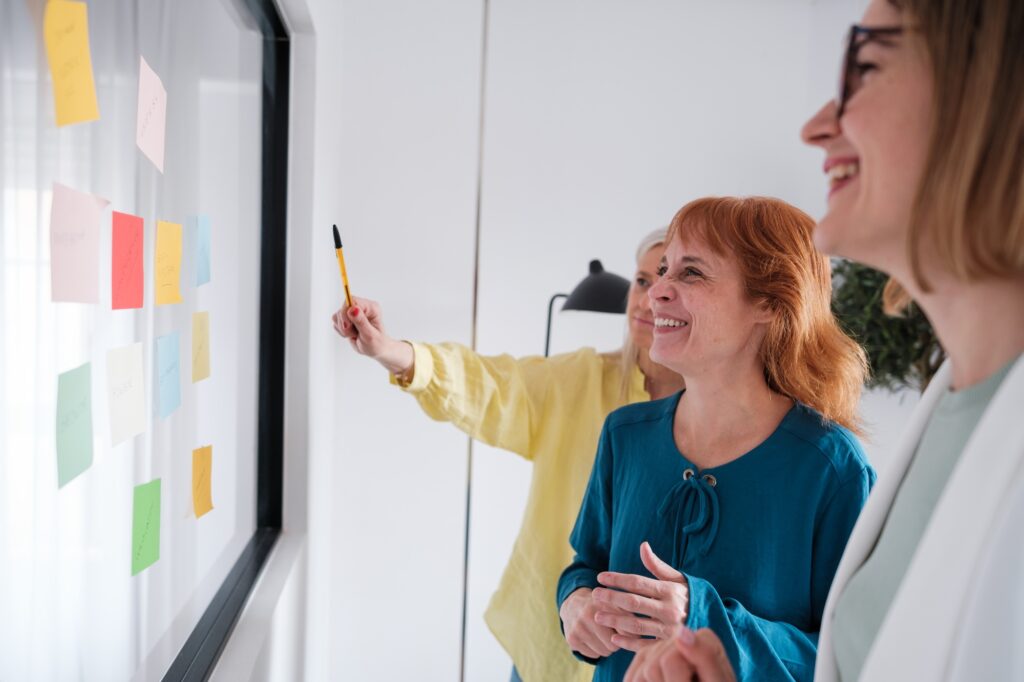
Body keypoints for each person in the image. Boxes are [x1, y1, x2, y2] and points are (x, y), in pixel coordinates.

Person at [625, 0, 1024, 679]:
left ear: (990, 97)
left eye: (866, 66)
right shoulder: (955, 412)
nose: (815, 128)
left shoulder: (831, 463)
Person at [332, 229, 685, 682]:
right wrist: (391, 352)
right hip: (549, 645)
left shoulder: (712, 417)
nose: (647, 299)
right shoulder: (579, 379)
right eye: (640, 281)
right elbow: (490, 384)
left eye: (664, 283)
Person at [557, 196, 875, 682]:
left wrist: (701, 616)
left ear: (769, 302)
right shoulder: (624, 436)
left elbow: (849, 657)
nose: (655, 292)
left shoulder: (831, 468)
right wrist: (574, 603)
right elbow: (586, 566)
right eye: (663, 270)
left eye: (691, 273)